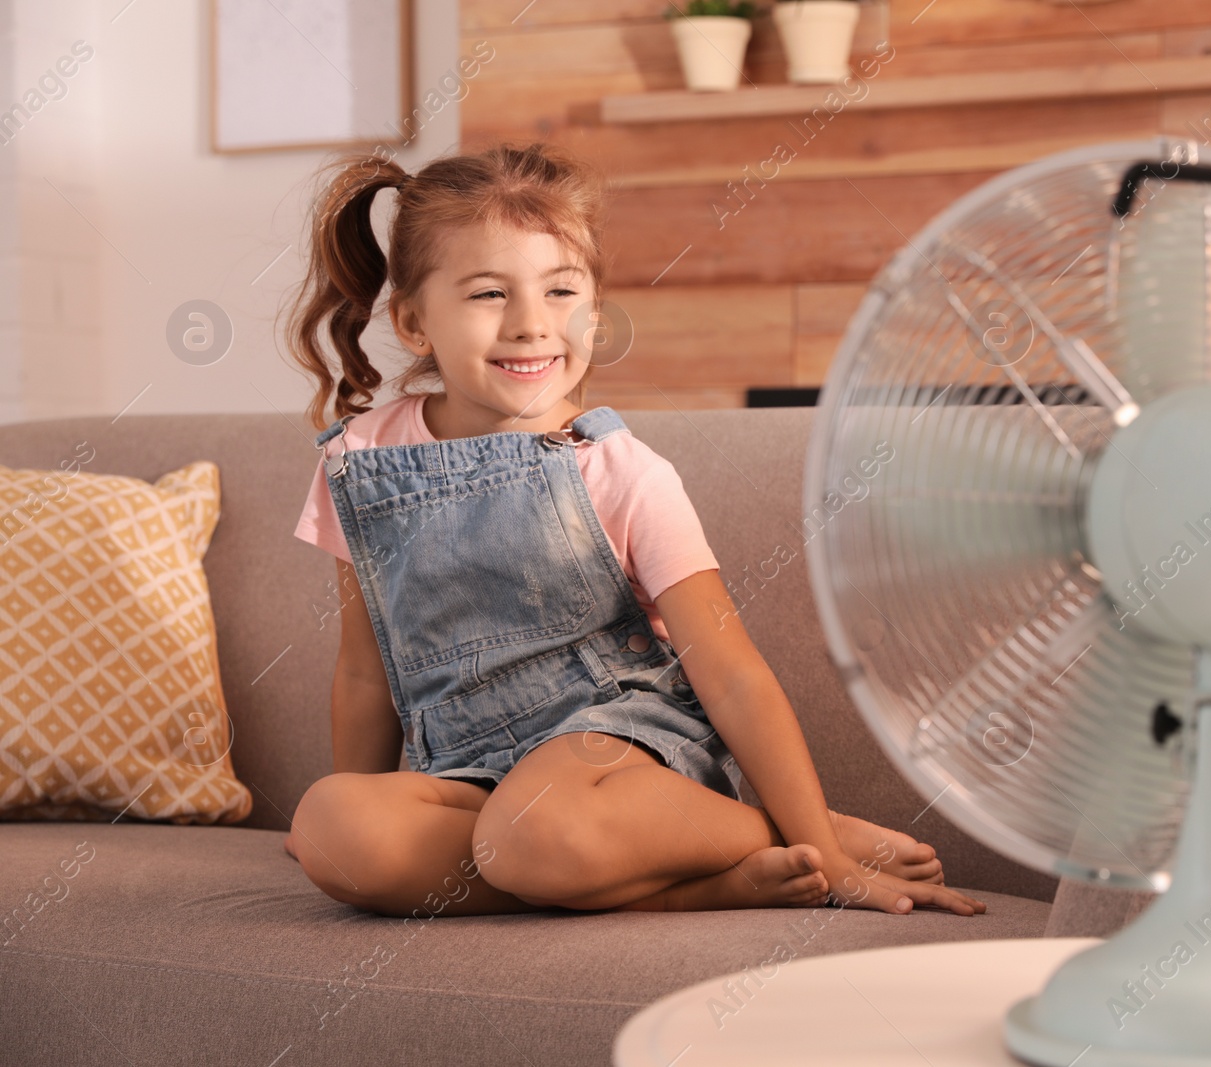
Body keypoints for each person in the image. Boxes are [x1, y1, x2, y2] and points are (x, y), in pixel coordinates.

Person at [279, 141, 987, 921]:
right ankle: (696, 873)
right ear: (414, 320)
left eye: (560, 290)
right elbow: (362, 671)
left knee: (529, 833)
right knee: (332, 826)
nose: (530, 325)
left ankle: (780, 835)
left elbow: (731, 675)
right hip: (468, 765)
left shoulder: (620, 470)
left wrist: (825, 847)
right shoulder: (362, 460)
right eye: (488, 294)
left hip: (615, 744)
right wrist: (371, 790)